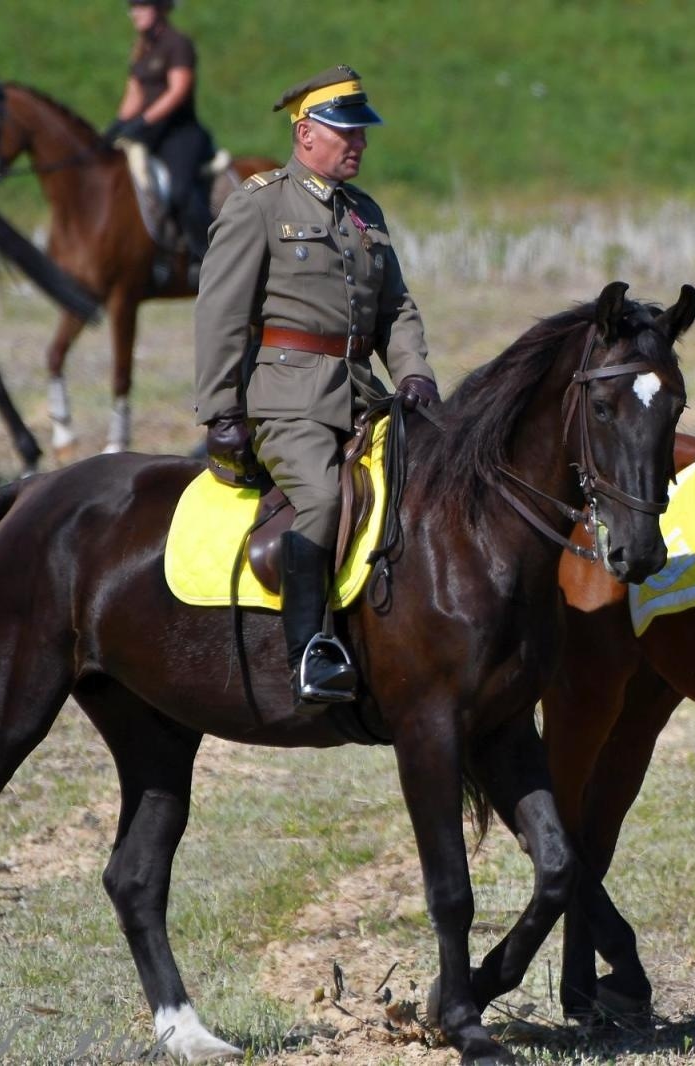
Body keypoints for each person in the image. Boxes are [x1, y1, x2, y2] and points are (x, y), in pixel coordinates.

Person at [192, 64, 441, 716]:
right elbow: (220, 314)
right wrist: (220, 411)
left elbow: (396, 309)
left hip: (365, 396)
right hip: (288, 403)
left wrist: (414, 373)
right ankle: (310, 650)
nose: (360, 142)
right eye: (346, 132)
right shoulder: (259, 204)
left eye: (362, 132)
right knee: (323, 500)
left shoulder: (364, 212)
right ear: (305, 133)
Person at [103, 0, 216, 265]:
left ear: (159, 9)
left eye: (142, 6)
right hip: (150, 134)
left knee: (180, 191)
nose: (135, 13)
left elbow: (178, 91)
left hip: (180, 133)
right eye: (133, 7)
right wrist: (117, 124)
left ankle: (207, 256)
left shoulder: (178, 44)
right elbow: (134, 95)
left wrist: (144, 120)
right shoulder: (141, 49)